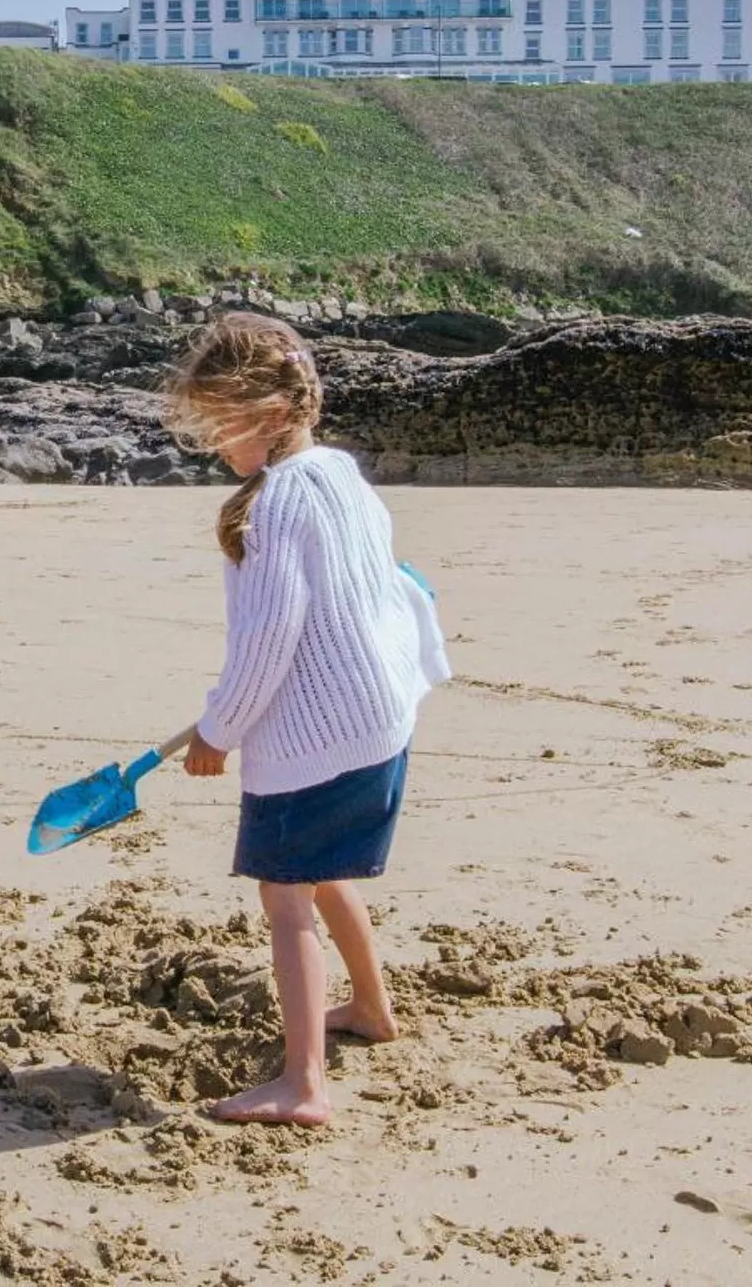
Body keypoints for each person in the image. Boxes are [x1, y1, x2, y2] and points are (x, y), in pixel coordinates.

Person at [165, 312, 451, 1127]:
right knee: (324, 872)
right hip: (378, 719)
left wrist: (220, 729)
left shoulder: (276, 505)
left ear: (273, 410)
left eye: (223, 421)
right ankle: (370, 1007)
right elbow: (390, 581)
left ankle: (302, 1083)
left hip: (313, 737)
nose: (216, 442)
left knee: (285, 897)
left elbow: (267, 638)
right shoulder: (339, 472)